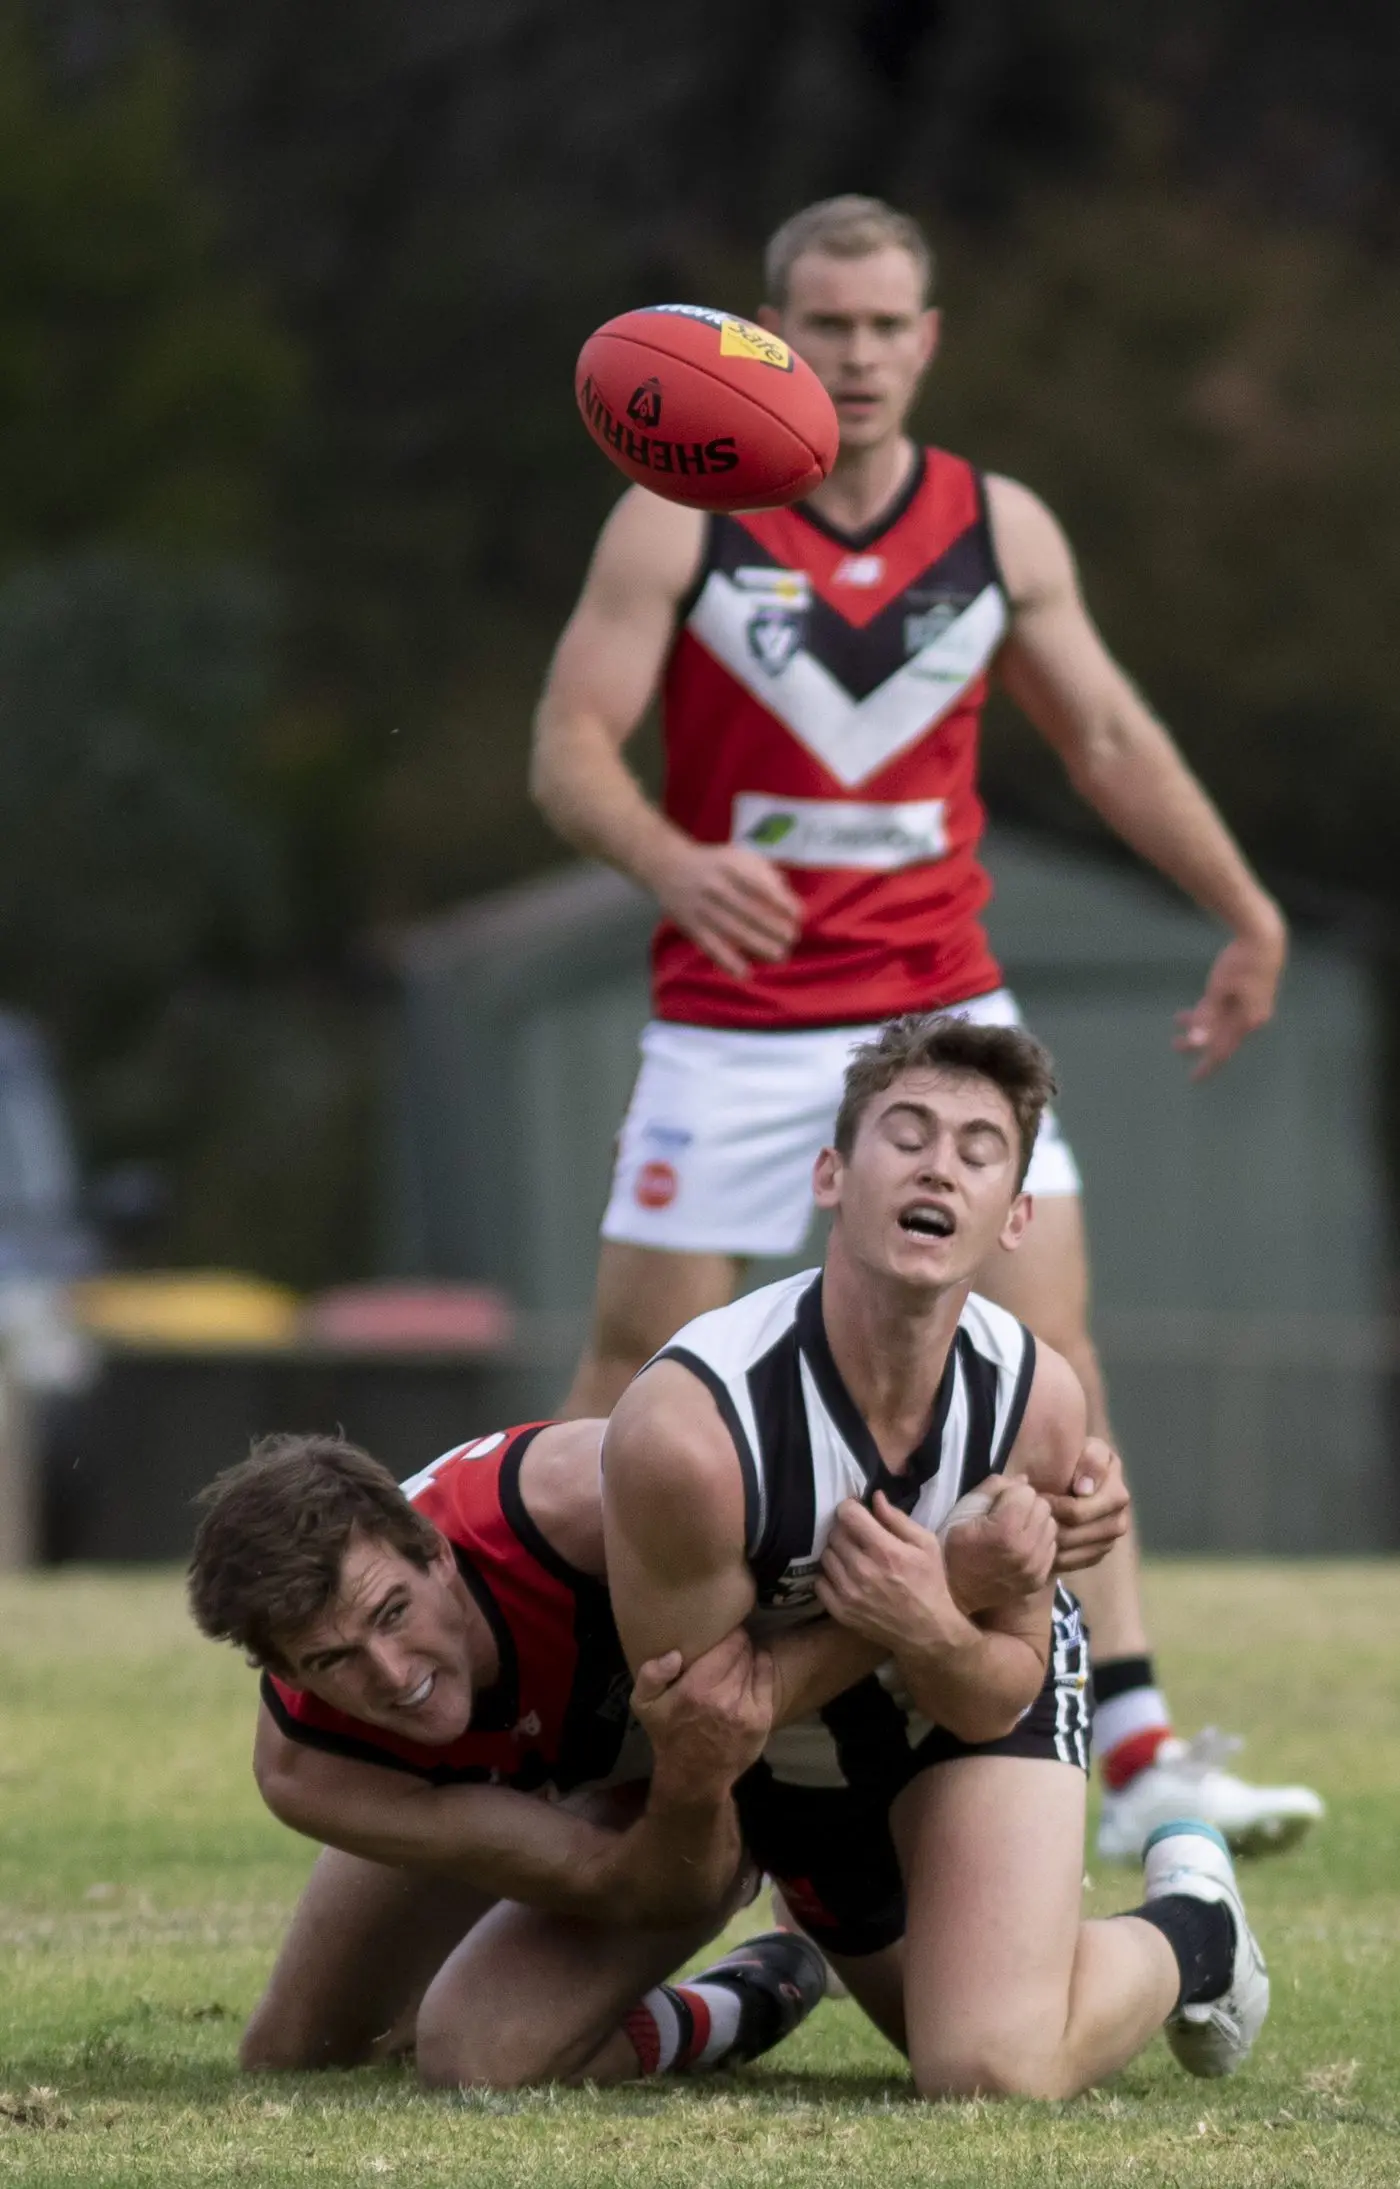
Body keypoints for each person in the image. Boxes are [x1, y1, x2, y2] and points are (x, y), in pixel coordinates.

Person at [530, 191, 1321, 1862]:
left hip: (944, 1008)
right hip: (732, 1022)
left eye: (890, 324)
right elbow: (569, 750)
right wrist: (673, 857)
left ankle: (1141, 1751)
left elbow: (1104, 733)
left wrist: (1244, 910)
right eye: (827, 324)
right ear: (767, 341)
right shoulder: (679, 513)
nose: (861, 355)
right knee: (626, 1390)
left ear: (931, 336)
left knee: (1059, 1374)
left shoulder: (999, 524)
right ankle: (584, 1734)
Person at [602, 1014, 1270, 2097]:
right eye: (903, 1133)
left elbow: (995, 1689)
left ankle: (1193, 1925)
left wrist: (926, 1619)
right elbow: (704, 1727)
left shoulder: (1035, 1398)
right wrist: (921, 1596)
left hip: (953, 1715)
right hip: (781, 1761)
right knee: (480, 2044)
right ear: (830, 1171)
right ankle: (776, 1969)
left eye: (974, 1150)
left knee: (984, 2067)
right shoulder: (693, 1426)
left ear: (1012, 1218)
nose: (935, 1167)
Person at [187, 1422, 825, 2089]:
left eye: (392, 1613)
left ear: (435, 1553)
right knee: (296, 2051)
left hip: (761, 1746)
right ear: (283, 1668)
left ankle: (804, 1904)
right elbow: (615, 1878)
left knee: (476, 2052)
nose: (395, 1674)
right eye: (330, 1658)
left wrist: (736, 1753)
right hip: (587, 1779)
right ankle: (732, 2002)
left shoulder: (578, 1505)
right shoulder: (308, 1764)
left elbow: (828, 1514)